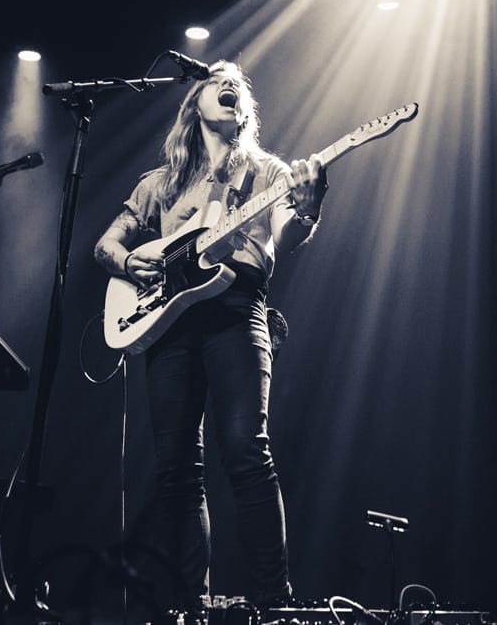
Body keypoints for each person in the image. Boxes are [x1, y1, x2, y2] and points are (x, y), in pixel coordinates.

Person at [93, 59, 326, 611]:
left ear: (244, 109)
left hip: (236, 310)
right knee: (175, 470)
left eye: (238, 83)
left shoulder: (268, 172)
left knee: (247, 452)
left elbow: (283, 241)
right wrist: (130, 264)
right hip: (169, 322)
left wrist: (309, 209)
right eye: (217, 78)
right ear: (194, 101)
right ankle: (185, 607)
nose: (229, 83)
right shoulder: (160, 183)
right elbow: (104, 245)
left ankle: (275, 605)